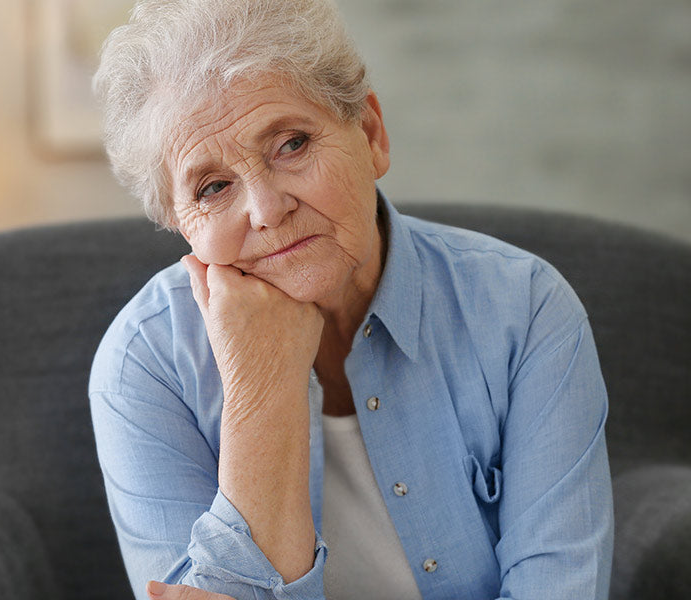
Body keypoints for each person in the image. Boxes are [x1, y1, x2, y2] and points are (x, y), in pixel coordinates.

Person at [88, 0, 613, 598]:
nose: (266, 209)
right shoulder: (143, 366)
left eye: (290, 144)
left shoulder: (526, 309)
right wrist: (262, 392)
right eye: (213, 186)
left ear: (371, 135)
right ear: (185, 227)